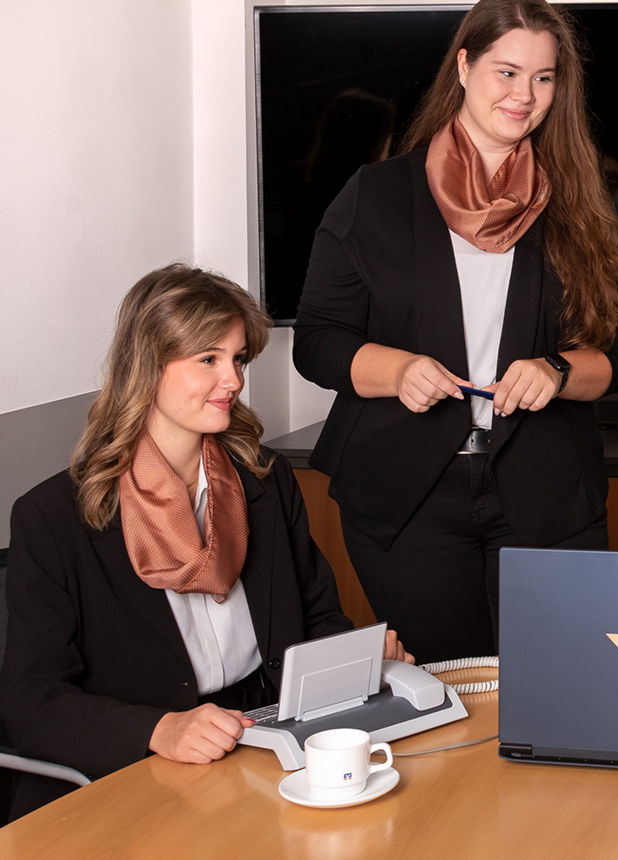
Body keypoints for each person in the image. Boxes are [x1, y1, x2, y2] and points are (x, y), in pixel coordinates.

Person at [293, 0, 618, 661]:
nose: (525, 95)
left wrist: (558, 371)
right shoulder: (374, 195)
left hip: (547, 493)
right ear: (464, 65)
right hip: (406, 497)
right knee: (446, 698)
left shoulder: (577, 200)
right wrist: (397, 371)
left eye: (544, 78)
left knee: (557, 685)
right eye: (507, 72)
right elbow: (316, 339)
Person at [0, 265, 412, 821]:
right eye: (209, 359)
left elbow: (319, 619)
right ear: (148, 365)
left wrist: (357, 658)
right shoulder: (53, 518)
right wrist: (158, 729)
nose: (235, 381)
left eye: (238, 359)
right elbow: (29, 703)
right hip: (141, 773)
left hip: (268, 739)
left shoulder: (263, 481)